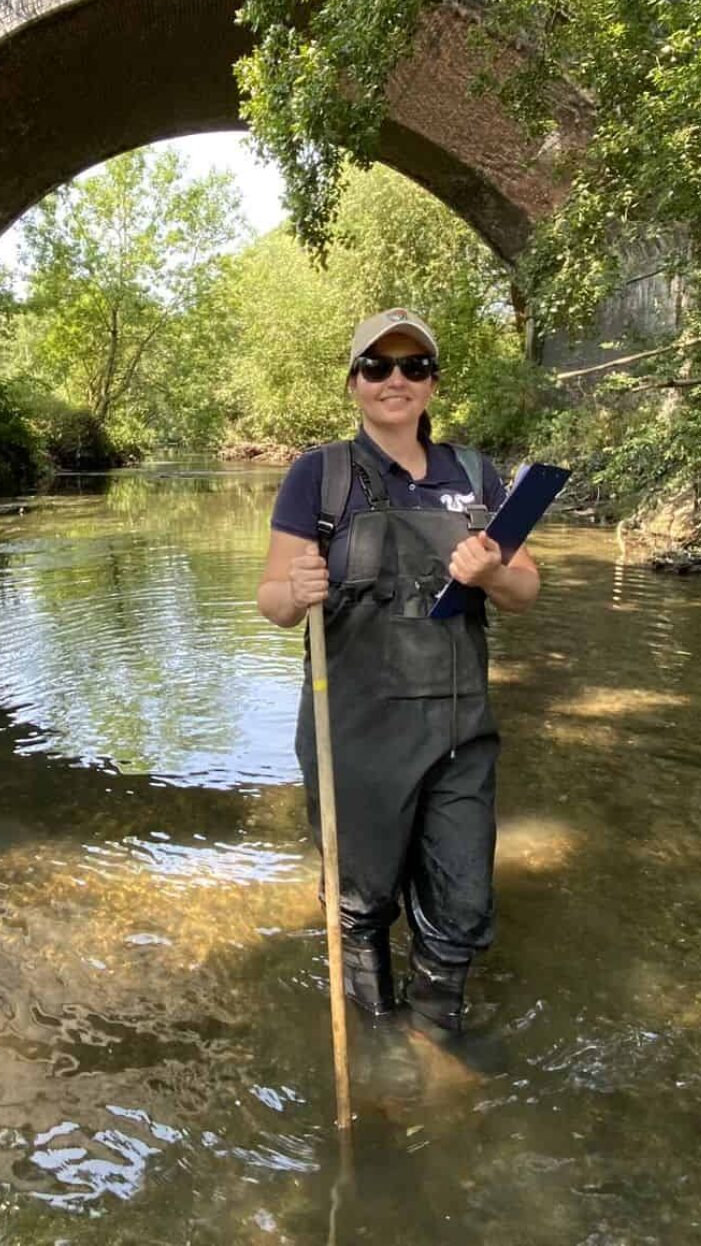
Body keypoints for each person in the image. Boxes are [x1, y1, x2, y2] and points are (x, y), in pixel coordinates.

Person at [255, 309, 540, 1048]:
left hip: (459, 731)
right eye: (378, 367)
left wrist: (495, 568)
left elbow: (526, 592)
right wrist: (300, 590)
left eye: (413, 366)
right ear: (354, 383)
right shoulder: (316, 477)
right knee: (362, 901)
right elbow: (273, 604)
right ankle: (378, 1044)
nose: (395, 380)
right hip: (354, 734)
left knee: (464, 902)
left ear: (433, 383)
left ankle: (436, 1043)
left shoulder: (477, 475)